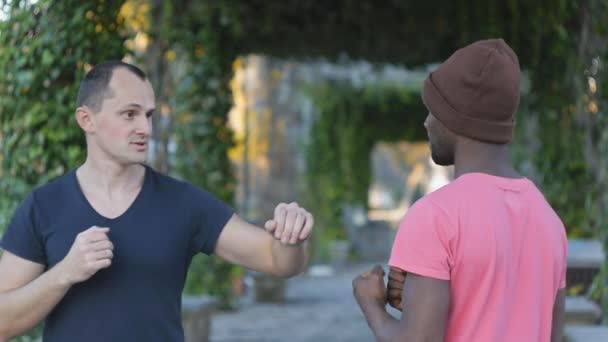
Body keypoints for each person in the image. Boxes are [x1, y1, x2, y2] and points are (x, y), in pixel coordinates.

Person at [0, 61, 314, 341]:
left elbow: (278, 261)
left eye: (148, 115)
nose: (145, 129)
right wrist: (64, 272)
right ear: (87, 119)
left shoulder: (183, 202)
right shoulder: (44, 206)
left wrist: (291, 236)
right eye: (129, 114)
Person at [352, 39, 568, 342]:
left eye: (432, 110)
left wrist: (372, 306)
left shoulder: (435, 217)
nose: (426, 122)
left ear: (454, 118)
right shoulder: (549, 221)